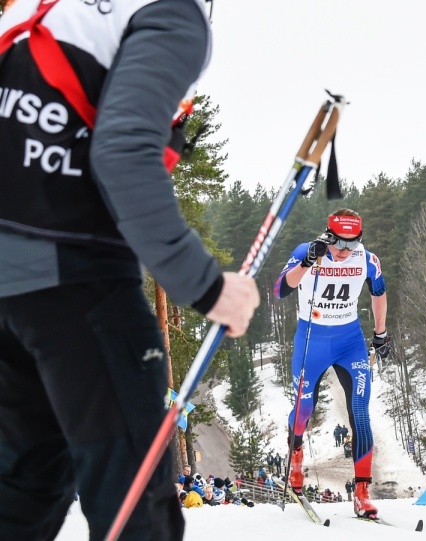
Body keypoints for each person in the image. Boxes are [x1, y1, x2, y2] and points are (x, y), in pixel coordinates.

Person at [0, 1, 261, 540]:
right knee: (134, 511)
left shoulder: (39, 8)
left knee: (22, 495)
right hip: (79, 286)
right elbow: (121, 155)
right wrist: (208, 286)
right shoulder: (170, 14)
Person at [274, 208, 392, 519]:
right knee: (303, 408)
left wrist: (381, 334)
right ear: (328, 236)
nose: (343, 252)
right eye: (338, 244)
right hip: (311, 340)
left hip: (349, 342)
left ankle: (363, 493)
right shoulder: (307, 251)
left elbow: (379, 293)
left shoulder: (367, 259)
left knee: (361, 413)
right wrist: (306, 263)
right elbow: (280, 289)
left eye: (352, 245)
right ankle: (296, 457)